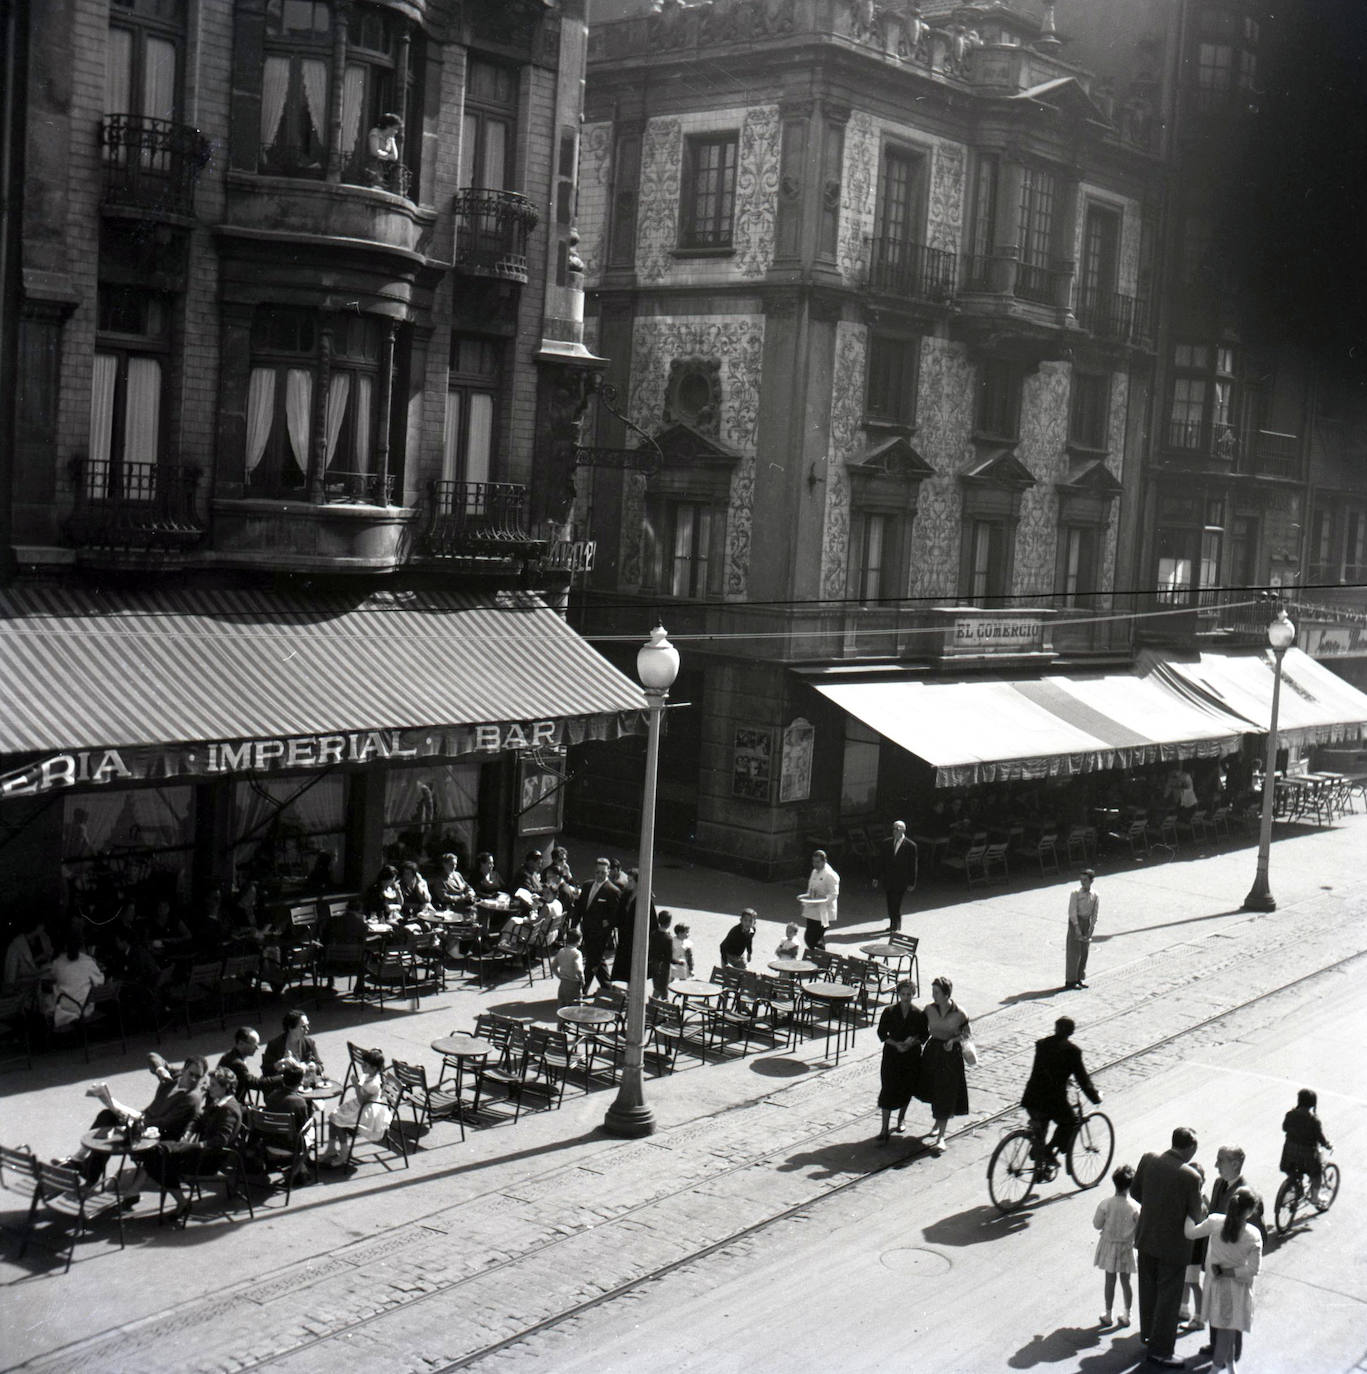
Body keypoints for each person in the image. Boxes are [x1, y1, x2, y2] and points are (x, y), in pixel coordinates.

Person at [1131, 1125, 1204, 1367]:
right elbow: (1196, 1214)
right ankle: (1161, 1350)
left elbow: (1135, 1191)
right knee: (1168, 1297)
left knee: (1148, 1289)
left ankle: (1148, 1335)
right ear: (1191, 1147)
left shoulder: (1149, 1159)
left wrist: (1155, 1207)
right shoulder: (1191, 1176)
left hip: (1146, 1236)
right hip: (1173, 1246)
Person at [75, 1054, 208, 1185]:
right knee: (107, 1115)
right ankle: (83, 1160)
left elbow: (166, 1123)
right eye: (191, 1074)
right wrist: (161, 1070)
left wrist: (136, 1122)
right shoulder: (175, 1076)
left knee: (117, 1127)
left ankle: (88, 1170)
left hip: (158, 1133)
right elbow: (153, 1057)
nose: (193, 1079)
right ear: (184, 1070)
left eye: (198, 1076)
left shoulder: (192, 1098)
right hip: (143, 1117)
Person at [142, 1065, 243, 1226]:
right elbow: (198, 1118)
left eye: (214, 1085)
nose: (209, 1087)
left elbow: (219, 1142)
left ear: (226, 1088)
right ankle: (182, 1201)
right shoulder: (217, 1101)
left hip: (209, 1160)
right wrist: (188, 1133)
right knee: (153, 1155)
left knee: (156, 1156)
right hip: (199, 1153)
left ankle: (182, 1202)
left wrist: (190, 1146)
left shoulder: (228, 1110)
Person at [1183, 1187, 1263, 1374]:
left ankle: (1230, 1368)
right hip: (1236, 1291)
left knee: (1225, 1331)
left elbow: (1190, 1233)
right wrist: (1228, 1271)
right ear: (1250, 1211)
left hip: (1216, 1287)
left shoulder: (1215, 1222)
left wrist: (1190, 1211)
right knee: (1227, 1333)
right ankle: (1216, 1369)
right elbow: (1253, 1269)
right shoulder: (1253, 1234)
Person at [1020, 1015, 1102, 1174]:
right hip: (1052, 1101)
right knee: (1070, 1123)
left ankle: (1038, 1155)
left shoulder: (1042, 1045)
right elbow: (1083, 1079)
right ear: (1071, 1032)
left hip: (1031, 1097)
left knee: (1040, 1129)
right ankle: (1048, 1151)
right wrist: (1094, 1097)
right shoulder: (1072, 1052)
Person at [915, 975, 970, 1153]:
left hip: (950, 1057)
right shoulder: (929, 1010)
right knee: (934, 1090)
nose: (933, 995)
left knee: (946, 1093)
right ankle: (938, 1124)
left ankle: (941, 1137)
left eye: (937, 992)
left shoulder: (959, 1013)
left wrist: (953, 1040)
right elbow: (921, 1030)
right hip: (933, 1053)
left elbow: (967, 1034)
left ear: (947, 994)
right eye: (932, 991)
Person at [319, 1048, 391, 1167]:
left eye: (365, 1065)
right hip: (360, 1105)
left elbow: (362, 1099)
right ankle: (331, 1148)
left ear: (374, 1068)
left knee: (338, 1122)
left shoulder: (374, 1083)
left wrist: (356, 1085)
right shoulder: (369, 1075)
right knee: (333, 1116)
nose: (362, 1066)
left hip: (366, 1111)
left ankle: (344, 1154)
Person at [875, 979, 927, 1144]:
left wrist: (912, 1042)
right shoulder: (889, 1011)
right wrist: (896, 1044)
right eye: (903, 994)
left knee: (907, 1088)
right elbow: (882, 1033)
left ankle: (901, 1119)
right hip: (892, 1056)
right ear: (898, 994)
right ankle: (884, 1128)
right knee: (888, 1089)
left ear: (913, 995)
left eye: (909, 994)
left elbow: (924, 1035)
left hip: (910, 1057)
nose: (906, 998)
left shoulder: (918, 1014)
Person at [1095, 1163, 1139, 1328]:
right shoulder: (1135, 1207)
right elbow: (1140, 1227)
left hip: (1109, 1247)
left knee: (1110, 1280)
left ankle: (1108, 1313)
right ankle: (1127, 1314)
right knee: (1125, 1281)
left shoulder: (1106, 1204)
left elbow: (1097, 1224)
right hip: (1126, 1248)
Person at [1280, 1086, 1332, 1205]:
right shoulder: (1314, 1120)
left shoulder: (1290, 1114)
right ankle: (1315, 1197)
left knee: (1292, 1170)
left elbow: (1284, 1128)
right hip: (1307, 1155)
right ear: (1312, 1104)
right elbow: (1320, 1138)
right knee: (1317, 1175)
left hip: (1289, 1151)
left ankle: (1295, 1186)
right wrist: (1328, 1145)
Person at [49, 934, 105, 1028]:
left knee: (47, 998)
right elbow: (100, 982)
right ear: (81, 946)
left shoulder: (57, 962)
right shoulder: (88, 961)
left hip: (64, 1008)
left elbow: (53, 977)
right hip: (85, 1008)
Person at [878, 821, 918, 934]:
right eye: (893, 829)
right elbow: (881, 861)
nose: (894, 831)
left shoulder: (911, 846)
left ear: (903, 830)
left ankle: (896, 924)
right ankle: (892, 923)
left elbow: (913, 865)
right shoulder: (887, 843)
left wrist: (912, 882)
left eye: (897, 829)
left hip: (901, 880)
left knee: (896, 903)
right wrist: (876, 876)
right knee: (890, 902)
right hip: (889, 879)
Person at [261, 1009, 324, 1079]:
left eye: (307, 1025)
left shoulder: (309, 1042)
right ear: (291, 1028)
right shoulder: (274, 1045)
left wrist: (314, 1067)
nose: (307, 1029)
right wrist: (279, 1064)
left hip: (305, 1082)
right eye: (303, 1027)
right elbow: (266, 1071)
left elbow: (320, 1066)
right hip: (283, 1083)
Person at [1065, 869, 1099, 990]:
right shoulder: (1075, 893)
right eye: (1081, 880)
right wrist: (1077, 928)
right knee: (1074, 952)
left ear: (1091, 881)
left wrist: (1091, 928)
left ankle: (1079, 978)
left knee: (1084, 951)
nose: (1082, 883)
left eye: (1085, 880)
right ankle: (1070, 980)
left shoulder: (1095, 895)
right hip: (1076, 922)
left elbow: (1095, 913)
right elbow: (1072, 911)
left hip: (1086, 922)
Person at [802, 850, 840, 951]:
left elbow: (834, 894)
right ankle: (817, 957)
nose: (815, 864)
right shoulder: (814, 872)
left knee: (815, 938)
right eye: (814, 862)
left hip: (824, 912)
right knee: (809, 936)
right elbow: (810, 888)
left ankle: (820, 958)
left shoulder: (831, 875)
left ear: (824, 861)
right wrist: (806, 899)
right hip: (812, 909)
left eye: (818, 862)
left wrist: (822, 900)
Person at [217, 1026, 263, 1099]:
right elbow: (254, 1083)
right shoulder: (236, 1063)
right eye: (254, 1044)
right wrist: (280, 1079)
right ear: (241, 1043)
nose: (257, 1047)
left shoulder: (230, 1055)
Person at [552, 928, 585, 1008]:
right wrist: (582, 978)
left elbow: (553, 966)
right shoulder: (577, 953)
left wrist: (559, 976)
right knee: (576, 1008)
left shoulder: (561, 951)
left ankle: (561, 1021)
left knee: (562, 1008)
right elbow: (578, 969)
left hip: (563, 983)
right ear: (579, 941)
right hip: (574, 983)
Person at [648, 909, 674, 998]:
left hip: (654, 964)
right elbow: (669, 957)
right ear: (669, 923)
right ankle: (654, 1006)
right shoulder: (668, 938)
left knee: (657, 988)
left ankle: (655, 1006)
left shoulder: (653, 934)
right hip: (664, 968)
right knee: (663, 989)